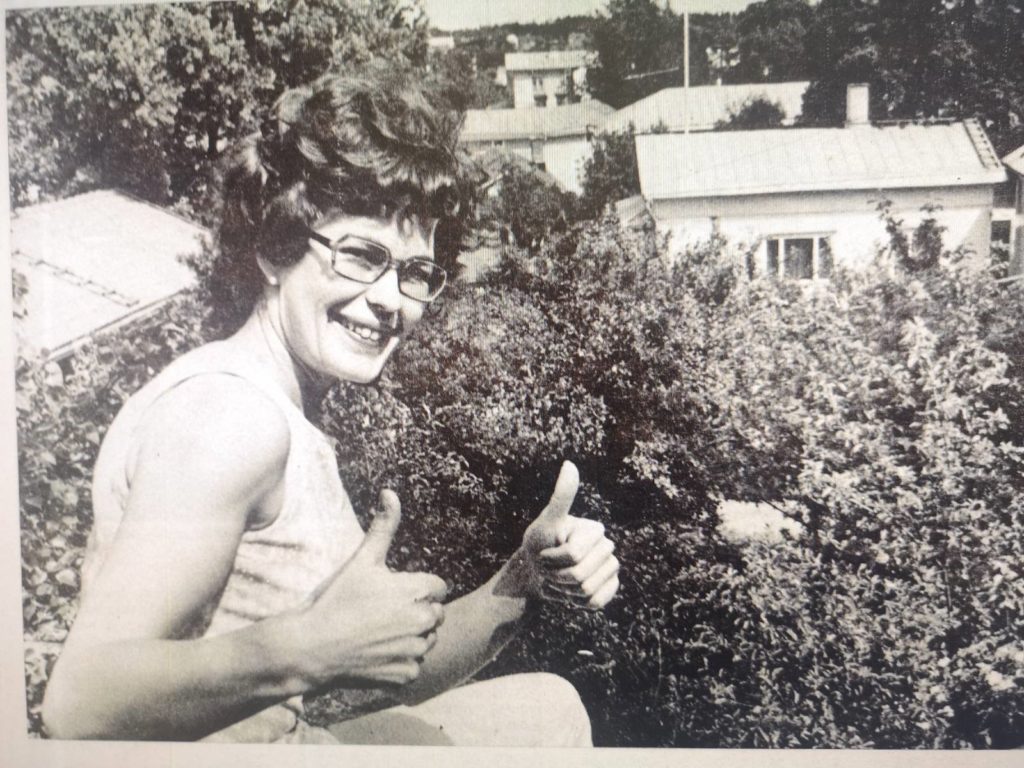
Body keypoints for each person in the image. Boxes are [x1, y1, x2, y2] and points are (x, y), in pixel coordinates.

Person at [41, 68, 620, 745]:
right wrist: (306, 650)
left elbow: (377, 667)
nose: (391, 299)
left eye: (414, 272)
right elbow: (78, 704)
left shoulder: (274, 404)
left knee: (550, 710)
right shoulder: (229, 420)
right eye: (361, 256)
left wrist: (525, 577)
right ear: (275, 248)